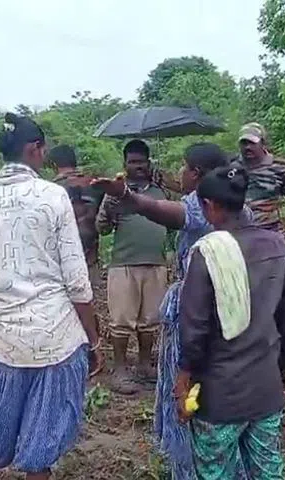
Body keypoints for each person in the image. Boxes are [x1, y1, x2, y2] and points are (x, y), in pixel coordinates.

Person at [0, 113, 103, 480]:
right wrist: (94, 338)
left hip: (1, 343)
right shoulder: (53, 197)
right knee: (41, 449)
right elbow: (76, 279)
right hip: (56, 340)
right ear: (35, 149)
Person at [93, 142, 246, 479]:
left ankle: (195, 461)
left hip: (199, 309)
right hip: (232, 313)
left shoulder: (202, 206)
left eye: (185, 167)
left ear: (197, 174)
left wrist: (129, 197)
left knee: (190, 389)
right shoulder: (239, 207)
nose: (180, 172)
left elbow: (166, 212)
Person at [174, 166, 285, 479]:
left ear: (209, 206)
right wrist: (283, 368)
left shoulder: (207, 252)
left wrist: (183, 381)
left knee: (216, 471)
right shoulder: (277, 245)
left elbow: (194, 330)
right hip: (265, 387)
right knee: (268, 469)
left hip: (221, 395)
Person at [96, 139, 168, 393]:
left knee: (151, 319)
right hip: (124, 264)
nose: (137, 166)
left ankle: (145, 366)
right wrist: (111, 210)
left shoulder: (160, 190)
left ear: (149, 163)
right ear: (125, 164)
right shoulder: (115, 192)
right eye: (132, 162)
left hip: (156, 263)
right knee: (122, 320)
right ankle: (120, 370)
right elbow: (102, 228)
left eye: (141, 162)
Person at [236, 123, 285, 239]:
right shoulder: (231, 167)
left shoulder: (280, 166)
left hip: (270, 234)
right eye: (244, 143)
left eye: (252, 143)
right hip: (239, 235)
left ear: (263, 143)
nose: (247, 147)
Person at [49, 145, 105, 295]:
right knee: (91, 300)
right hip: (91, 257)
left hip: (61, 262)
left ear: (53, 165)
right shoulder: (94, 184)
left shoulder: (49, 189)